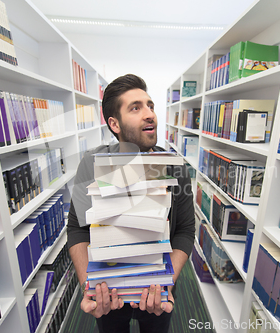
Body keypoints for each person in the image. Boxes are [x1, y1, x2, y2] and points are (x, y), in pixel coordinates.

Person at [66, 74, 195, 332]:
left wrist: (166, 283)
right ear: (115, 123)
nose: (149, 114)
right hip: (108, 291)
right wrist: (88, 287)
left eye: (150, 106)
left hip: (157, 291)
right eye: (136, 108)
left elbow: (184, 231)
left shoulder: (173, 167)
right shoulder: (91, 165)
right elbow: (77, 228)